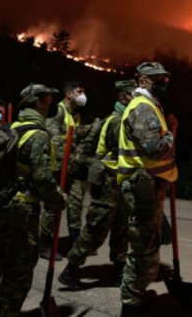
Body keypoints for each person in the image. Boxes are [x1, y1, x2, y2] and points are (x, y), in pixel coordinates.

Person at [0, 84, 66, 317]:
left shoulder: (10, 128)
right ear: (37, 103)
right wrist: (57, 198)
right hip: (23, 210)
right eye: (47, 100)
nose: (50, 104)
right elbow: (42, 176)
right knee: (19, 270)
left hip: (1, 204)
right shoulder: (39, 134)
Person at [59, 80, 136, 290]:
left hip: (122, 183)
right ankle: (71, 270)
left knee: (122, 228)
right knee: (96, 229)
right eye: (133, 96)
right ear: (123, 98)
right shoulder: (116, 122)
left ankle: (119, 270)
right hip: (108, 184)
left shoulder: (127, 120)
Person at [117, 63, 178, 317]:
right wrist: (172, 133)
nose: (163, 82)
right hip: (143, 185)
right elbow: (153, 147)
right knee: (142, 248)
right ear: (142, 81)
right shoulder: (142, 108)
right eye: (157, 79)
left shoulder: (151, 105)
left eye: (165, 78)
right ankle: (129, 308)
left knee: (149, 245)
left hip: (151, 184)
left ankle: (138, 295)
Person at [40, 81, 86, 260]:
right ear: (68, 94)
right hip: (58, 166)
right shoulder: (57, 111)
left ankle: (75, 243)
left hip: (71, 166)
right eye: (79, 91)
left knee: (75, 203)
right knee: (53, 206)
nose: (82, 94)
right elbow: (54, 138)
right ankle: (45, 244)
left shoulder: (75, 114)